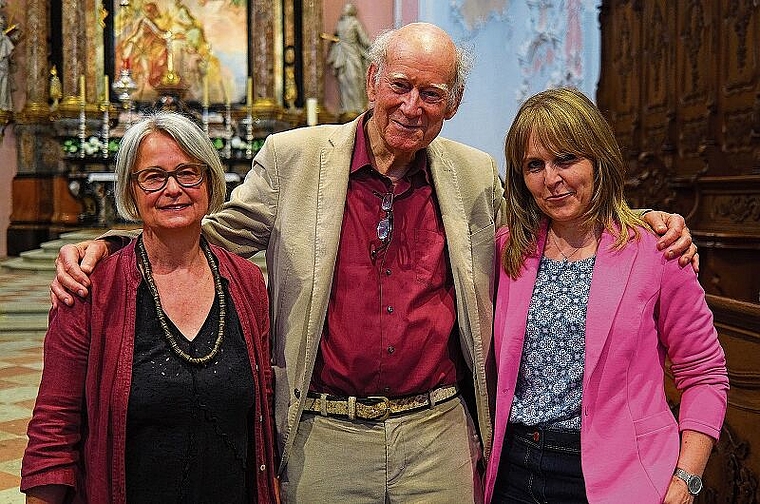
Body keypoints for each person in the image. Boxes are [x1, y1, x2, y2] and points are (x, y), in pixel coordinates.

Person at [51, 24, 695, 503]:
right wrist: (106, 243)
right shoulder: (294, 159)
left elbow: (545, 225)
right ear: (372, 82)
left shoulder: (472, 177)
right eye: (401, 85)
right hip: (326, 435)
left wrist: (641, 222)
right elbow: (203, 230)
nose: (413, 106)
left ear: (454, 105)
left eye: (433, 93)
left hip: (436, 431)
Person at [484, 88, 728, 504]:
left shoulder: (657, 248)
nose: (551, 179)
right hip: (513, 469)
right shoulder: (508, 251)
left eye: (566, 159)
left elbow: (704, 373)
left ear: (598, 160)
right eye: (534, 165)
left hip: (619, 473)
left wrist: (687, 479)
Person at [22, 112, 278, 503]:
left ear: (209, 182)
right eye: (153, 177)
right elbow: (54, 428)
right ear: (131, 190)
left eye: (187, 173)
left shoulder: (246, 282)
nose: (172, 189)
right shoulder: (90, 289)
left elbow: (260, 410)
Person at [325, 3, 371, 118]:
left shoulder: (355, 23)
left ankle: (357, 107)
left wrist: (374, 48)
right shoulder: (340, 24)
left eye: (348, 8)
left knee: (355, 78)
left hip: (352, 53)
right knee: (343, 80)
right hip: (343, 53)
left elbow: (364, 40)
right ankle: (346, 107)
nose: (346, 10)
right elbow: (336, 36)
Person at [0, 14, 15, 111]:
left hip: (3, 62)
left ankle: (4, 104)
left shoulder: (5, 38)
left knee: (4, 80)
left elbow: (10, 52)